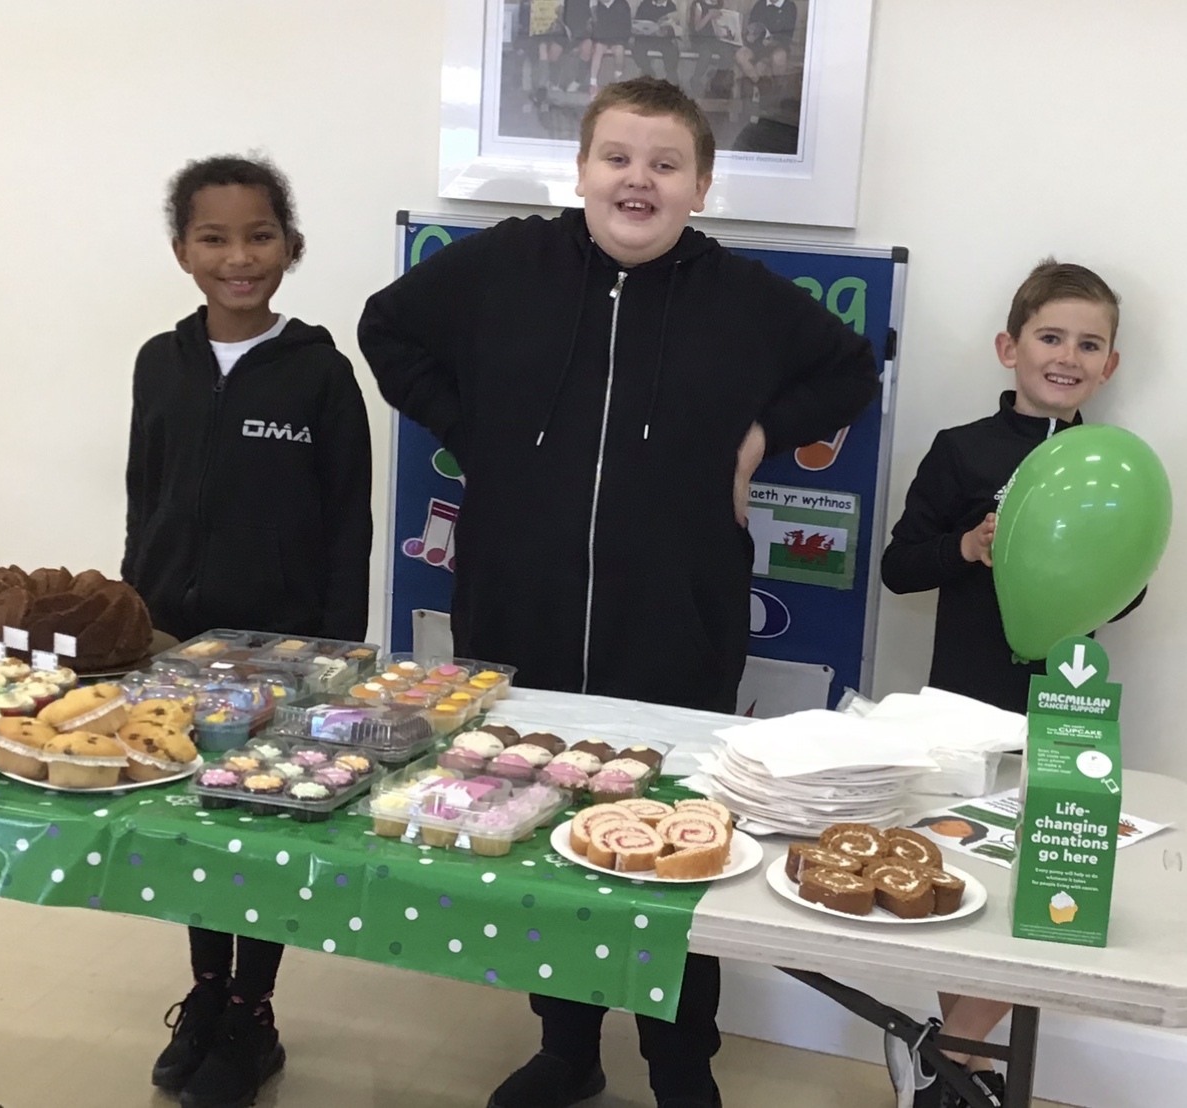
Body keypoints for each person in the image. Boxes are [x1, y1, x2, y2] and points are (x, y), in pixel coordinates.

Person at [359, 77, 878, 1108]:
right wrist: (475, 436)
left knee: (674, 842)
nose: (636, 178)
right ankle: (565, 1047)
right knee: (546, 831)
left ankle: (682, 1068)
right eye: (616, 157)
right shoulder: (508, 265)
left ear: (700, 184)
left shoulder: (740, 296)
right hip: (517, 610)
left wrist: (758, 439)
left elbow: (850, 368)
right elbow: (386, 328)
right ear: (583, 169)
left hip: (676, 624)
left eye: (663, 163)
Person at [122, 155, 372, 1108]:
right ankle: (205, 996)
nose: (239, 256)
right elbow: (143, 502)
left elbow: (348, 525)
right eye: (214, 237)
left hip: (285, 658)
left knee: (259, 832)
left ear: (290, 246)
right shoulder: (161, 362)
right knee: (193, 833)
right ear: (183, 250)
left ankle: (253, 1014)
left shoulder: (320, 376)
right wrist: (134, 622)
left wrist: (338, 658)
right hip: (174, 647)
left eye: (259, 235)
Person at [881, 259, 1142, 1108]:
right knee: (969, 886)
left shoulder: (1112, 465)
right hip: (962, 704)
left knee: (1050, 892)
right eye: (1050, 335)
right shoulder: (961, 451)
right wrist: (968, 547)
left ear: (1110, 364)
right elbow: (895, 567)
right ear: (1010, 346)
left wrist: (1081, 567)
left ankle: (943, 1058)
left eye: (1088, 343)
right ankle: (958, 1068)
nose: (1067, 355)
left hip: (1066, 707)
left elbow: (1126, 590)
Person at [688, 0, 740, 98]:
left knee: (728, 53)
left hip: (715, 39)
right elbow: (697, 28)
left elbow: (719, 27)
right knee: (706, 53)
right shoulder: (699, 4)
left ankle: (717, 79)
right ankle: (695, 79)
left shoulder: (719, 4)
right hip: (700, 39)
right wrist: (709, 16)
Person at [629, 0, 683, 86]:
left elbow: (674, 26)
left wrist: (665, 30)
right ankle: (648, 71)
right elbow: (637, 22)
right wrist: (641, 29)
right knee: (637, 48)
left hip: (663, 40)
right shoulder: (645, 4)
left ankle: (671, 76)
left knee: (671, 51)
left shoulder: (670, 6)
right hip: (645, 38)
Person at [588, 0, 632, 90]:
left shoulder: (622, 5)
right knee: (598, 49)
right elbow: (597, 27)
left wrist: (620, 39)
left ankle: (618, 77)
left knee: (619, 51)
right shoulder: (598, 7)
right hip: (603, 39)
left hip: (618, 39)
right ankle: (593, 83)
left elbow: (627, 25)